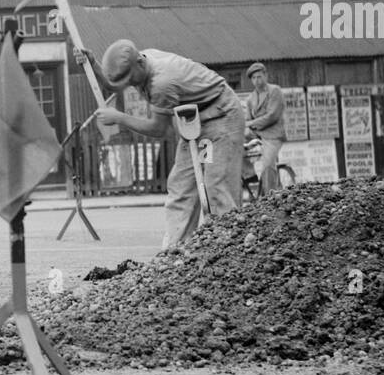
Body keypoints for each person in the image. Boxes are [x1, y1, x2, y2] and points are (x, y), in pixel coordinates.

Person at [82, 40, 245, 249]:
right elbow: (116, 82)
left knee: (217, 186)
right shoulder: (141, 61)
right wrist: (93, 64)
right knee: (180, 187)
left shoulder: (162, 83)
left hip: (222, 114)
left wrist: (120, 118)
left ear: (139, 63)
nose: (131, 84)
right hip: (192, 118)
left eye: (131, 79)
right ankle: (175, 254)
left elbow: (159, 129)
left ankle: (231, 250)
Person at [244, 61, 285, 194]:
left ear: (265, 76)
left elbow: (272, 115)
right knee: (235, 146)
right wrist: (249, 127)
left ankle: (269, 197)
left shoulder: (275, 91)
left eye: (259, 76)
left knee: (267, 164)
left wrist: (251, 124)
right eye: (254, 78)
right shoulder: (251, 99)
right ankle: (250, 177)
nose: (257, 80)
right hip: (257, 135)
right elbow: (248, 119)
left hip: (273, 135)